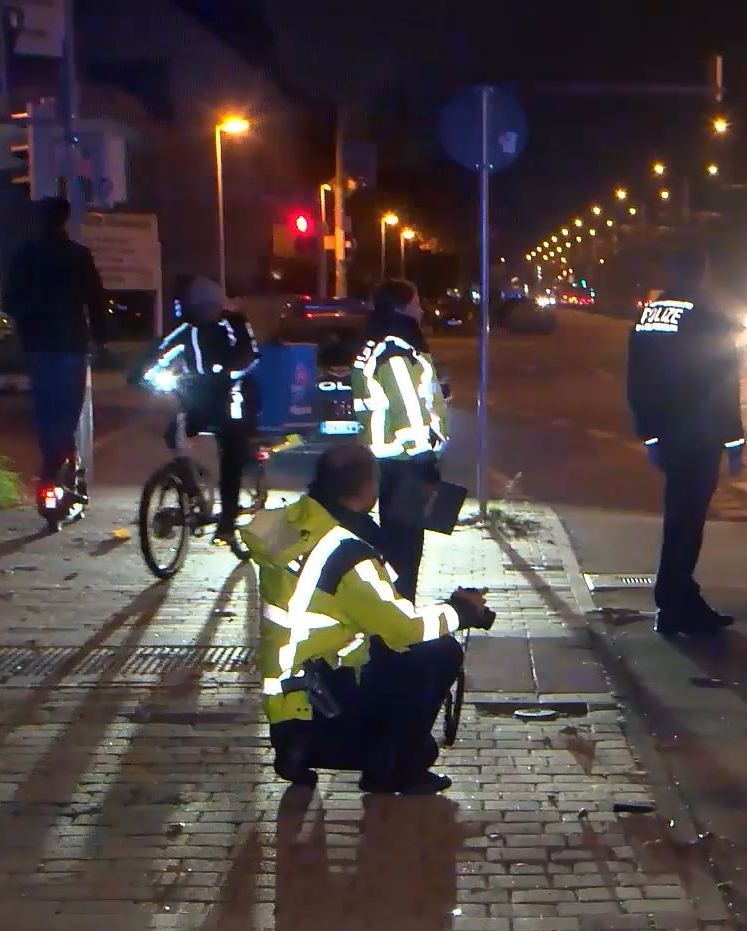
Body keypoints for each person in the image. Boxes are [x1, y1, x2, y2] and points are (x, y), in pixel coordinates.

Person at [245, 444, 494, 795]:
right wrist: (461, 611)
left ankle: (295, 748)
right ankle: (396, 766)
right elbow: (404, 629)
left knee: (386, 646)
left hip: (290, 697)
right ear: (368, 488)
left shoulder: (295, 521)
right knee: (439, 651)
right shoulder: (348, 551)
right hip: (329, 701)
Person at [627, 248, 744, 636]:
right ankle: (677, 602)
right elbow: (723, 383)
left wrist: (650, 434)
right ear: (702, 270)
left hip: (670, 433)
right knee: (687, 521)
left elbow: (638, 380)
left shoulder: (651, 314)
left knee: (678, 517)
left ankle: (676, 597)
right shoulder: (707, 315)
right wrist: (734, 439)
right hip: (701, 434)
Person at [353, 279, 449, 601]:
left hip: (391, 461)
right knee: (404, 552)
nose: (420, 309)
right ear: (400, 307)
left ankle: (394, 617)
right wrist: (428, 454)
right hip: (406, 461)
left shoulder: (384, 342)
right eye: (416, 302)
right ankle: (398, 626)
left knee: (397, 547)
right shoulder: (394, 349)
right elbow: (407, 414)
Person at [4, 195, 108, 491]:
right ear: (64, 220)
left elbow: (9, 300)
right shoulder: (77, 256)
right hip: (71, 344)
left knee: (45, 407)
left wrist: (29, 317)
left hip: (38, 345)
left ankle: (52, 462)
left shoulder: (25, 255)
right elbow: (96, 299)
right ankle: (59, 462)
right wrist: (102, 339)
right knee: (68, 408)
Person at [145, 275, 258, 545]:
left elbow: (250, 355)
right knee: (174, 434)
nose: (207, 311)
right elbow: (161, 353)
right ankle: (193, 491)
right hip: (201, 399)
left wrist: (227, 373)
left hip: (234, 397)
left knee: (232, 452)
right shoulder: (186, 329)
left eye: (211, 305)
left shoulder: (234, 324)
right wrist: (144, 374)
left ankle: (228, 523)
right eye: (202, 307)